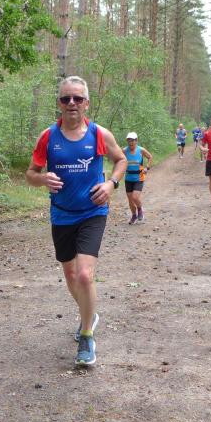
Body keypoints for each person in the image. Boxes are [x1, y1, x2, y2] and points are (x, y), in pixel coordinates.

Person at [26, 76, 126, 366]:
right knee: (70, 276)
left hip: (92, 212)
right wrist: (42, 179)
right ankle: (89, 314)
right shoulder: (48, 137)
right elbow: (30, 174)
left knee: (84, 275)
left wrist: (111, 184)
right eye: (66, 98)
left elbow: (121, 160)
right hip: (61, 213)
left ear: (86, 103)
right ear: (59, 103)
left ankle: (86, 336)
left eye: (77, 98)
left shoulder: (99, 134)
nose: (72, 103)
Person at [123, 132, 153, 225]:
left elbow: (150, 157)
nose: (130, 142)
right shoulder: (124, 151)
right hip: (128, 178)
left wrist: (147, 167)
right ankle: (133, 215)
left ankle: (140, 209)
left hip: (139, 177)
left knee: (135, 197)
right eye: (129, 140)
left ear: (136, 141)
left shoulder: (141, 150)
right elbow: (119, 160)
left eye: (132, 140)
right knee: (130, 200)